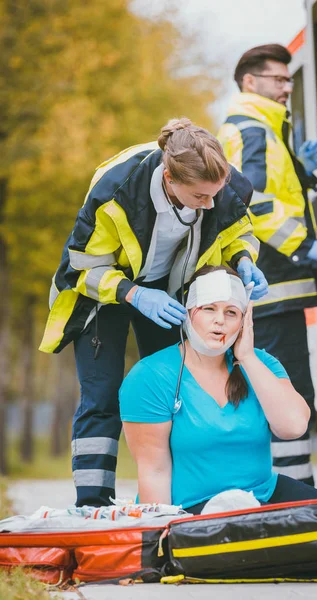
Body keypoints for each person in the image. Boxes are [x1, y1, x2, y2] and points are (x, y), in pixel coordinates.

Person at [39, 118, 268, 507]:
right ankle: (93, 505)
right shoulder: (115, 192)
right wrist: (133, 294)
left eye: (215, 194)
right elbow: (80, 268)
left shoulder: (219, 184)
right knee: (101, 395)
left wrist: (245, 259)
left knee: (178, 388)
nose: (210, 204)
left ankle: (177, 498)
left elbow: (237, 232)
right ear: (169, 179)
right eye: (200, 197)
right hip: (104, 292)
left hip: (170, 292)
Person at [217, 44, 317, 486]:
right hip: (273, 283)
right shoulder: (256, 130)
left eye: (289, 80)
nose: (287, 88)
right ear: (251, 82)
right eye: (279, 79)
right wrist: (309, 245)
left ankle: (287, 490)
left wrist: (302, 171)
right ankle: (294, 497)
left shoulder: (258, 128)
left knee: (275, 389)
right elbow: (260, 204)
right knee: (286, 393)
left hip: (269, 284)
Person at [120, 265, 317, 513]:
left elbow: (294, 426)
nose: (220, 320)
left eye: (231, 312)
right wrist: (162, 538)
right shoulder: (150, 376)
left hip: (261, 494)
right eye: (209, 308)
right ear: (187, 312)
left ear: (244, 320)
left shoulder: (261, 364)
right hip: (190, 507)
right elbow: (154, 473)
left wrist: (248, 358)